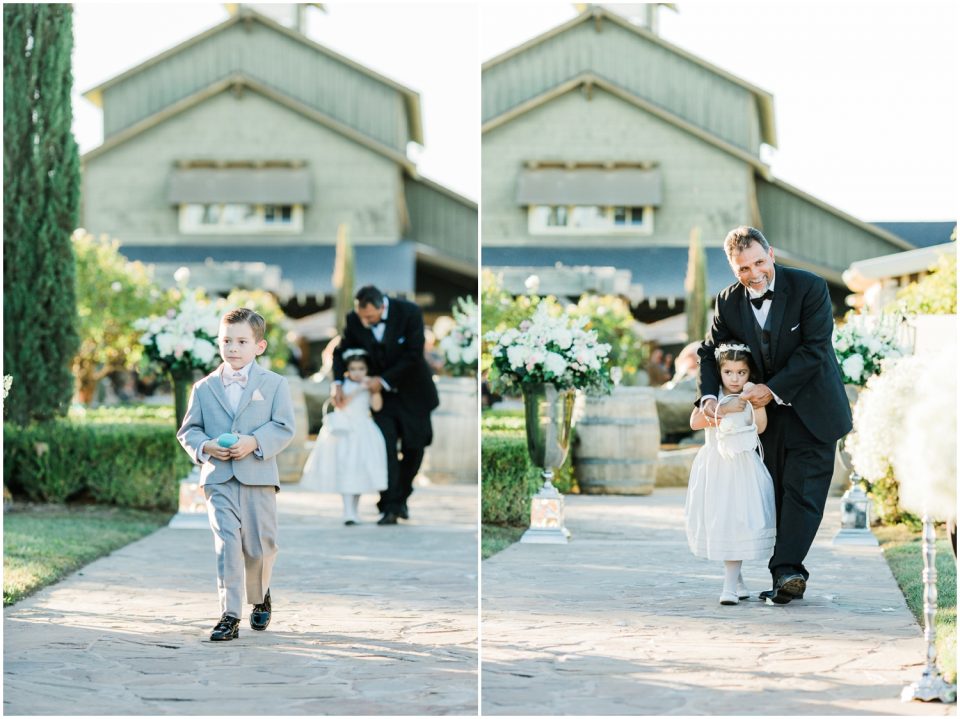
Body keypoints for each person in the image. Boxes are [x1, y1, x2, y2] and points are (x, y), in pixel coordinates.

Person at [696, 226, 852, 605]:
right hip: (764, 419)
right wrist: (706, 398)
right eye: (743, 269)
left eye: (758, 263)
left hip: (814, 408)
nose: (753, 274)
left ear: (771, 254)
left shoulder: (810, 288)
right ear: (734, 270)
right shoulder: (728, 302)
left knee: (803, 492)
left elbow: (814, 350)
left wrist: (773, 389)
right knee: (774, 493)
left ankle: (787, 571)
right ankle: (784, 569)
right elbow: (708, 351)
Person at [177, 308, 296, 641]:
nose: (232, 348)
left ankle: (260, 595)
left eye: (241, 341)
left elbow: (285, 426)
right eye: (226, 340)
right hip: (218, 479)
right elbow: (189, 430)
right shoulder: (203, 388)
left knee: (260, 547)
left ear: (259, 346)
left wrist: (254, 442)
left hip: (258, 475)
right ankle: (229, 614)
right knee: (227, 544)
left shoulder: (274, 384)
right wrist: (207, 447)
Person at [332, 286, 440, 525]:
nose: (365, 321)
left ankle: (401, 497)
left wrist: (385, 380)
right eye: (362, 316)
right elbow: (342, 352)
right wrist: (338, 382)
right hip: (379, 399)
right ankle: (390, 506)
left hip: (414, 393)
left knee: (415, 447)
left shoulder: (409, 312)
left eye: (370, 317)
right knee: (385, 448)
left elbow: (413, 354)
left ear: (382, 306)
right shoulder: (354, 319)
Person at [685, 344, 776, 605]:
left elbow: (760, 428)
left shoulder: (749, 396)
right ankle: (737, 579)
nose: (735, 379)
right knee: (724, 523)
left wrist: (752, 403)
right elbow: (694, 422)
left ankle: (729, 587)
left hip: (743, 469)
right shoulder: (713, 397)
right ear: (720, 372)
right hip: (716, 466)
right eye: (728, 372)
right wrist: (723, 409)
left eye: (741, 372)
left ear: (749, 373)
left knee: (738, 523)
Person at [300, 349, 388, 524]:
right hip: (345, 430)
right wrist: (358, 389)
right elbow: (340, 403)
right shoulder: (342, 385)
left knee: (359, 470)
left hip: (364, 429)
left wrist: (373, 390)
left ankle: (354, 510)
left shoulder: (368, 384)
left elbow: (377, 407)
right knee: (346, 467)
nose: (358, 372)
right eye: (354, 368)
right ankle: (348, 511)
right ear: (347, 369)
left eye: (361, 368)